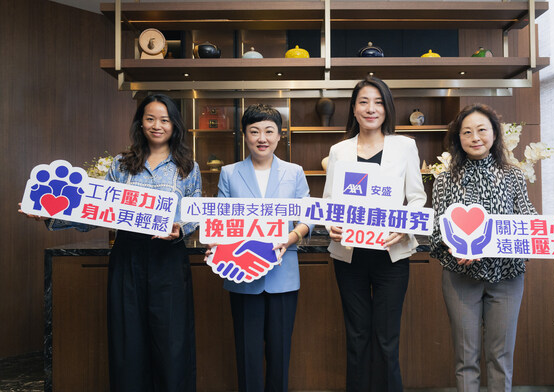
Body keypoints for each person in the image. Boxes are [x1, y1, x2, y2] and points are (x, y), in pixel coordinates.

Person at [20, 94, 201, 392]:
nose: (158, 125)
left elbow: (194, 211)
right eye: (150, 118)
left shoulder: (188, 168)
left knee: (173, 342)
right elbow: (95, 210)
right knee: (128, 340)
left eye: (165, 120)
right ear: (140, 123)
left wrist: (180, 228)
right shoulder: (121, 165)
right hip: (127, 257)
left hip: (169, 261)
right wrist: (49, 213)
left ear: (175, 125)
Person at [429, 103, 554, 392]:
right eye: (467, 132)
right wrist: (452, 246)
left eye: (482, 130)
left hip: (507, 275)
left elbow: (529, 220)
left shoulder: (513, 176)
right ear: (458, 139)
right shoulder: (444, 179)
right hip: (460, 277)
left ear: (494, 134)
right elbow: (437, 228)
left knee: (500, 357)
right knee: (466, 357)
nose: (475, 137)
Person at [323, 76, 427, 392]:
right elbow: (329, 202)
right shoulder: (339, 150)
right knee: (356, 337)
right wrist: (332, 226)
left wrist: (405, 224)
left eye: (378, 102)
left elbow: (418, 197)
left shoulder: (405, 145)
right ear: (353, 109)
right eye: (364, 102)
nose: (371, 108)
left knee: (386, 338)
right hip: (349, 256)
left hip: (391, 257)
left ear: (387, 108)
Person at [205, 103, 311, 392]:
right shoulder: (229, 173)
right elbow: (222, 221)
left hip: (283, 275)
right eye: (254, 131)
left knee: (280, 353)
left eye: (268, 131)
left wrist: (292, 237)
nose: (262, 138)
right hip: (242, 274)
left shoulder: (295, 172)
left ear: (279, 136)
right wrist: (215, 244)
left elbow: (307, 219)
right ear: (245, 135)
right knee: (247, 352)